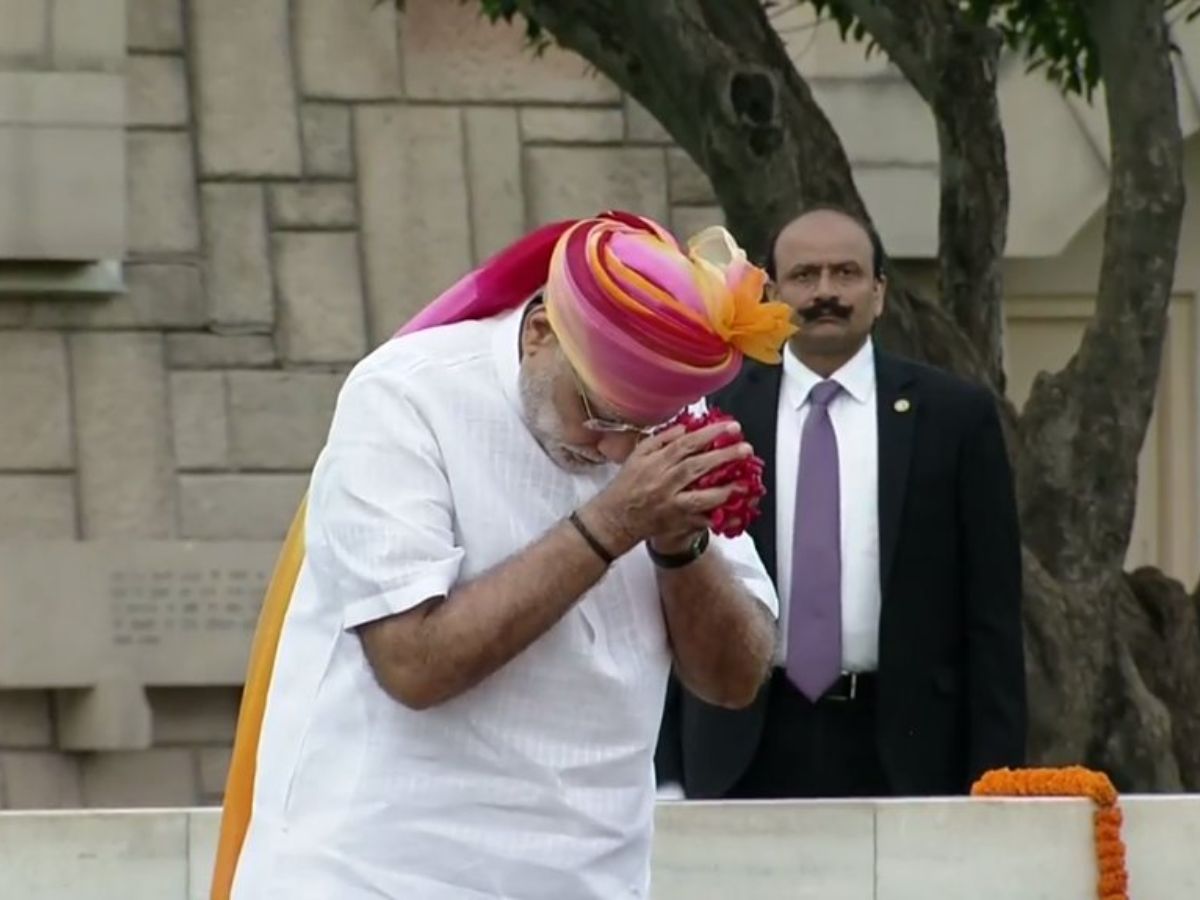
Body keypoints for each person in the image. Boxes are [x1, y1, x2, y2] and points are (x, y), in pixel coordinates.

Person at [208, 211, 797, 900]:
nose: (614, 448)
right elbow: (414, 664)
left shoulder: (670, 432)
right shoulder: (406, 394)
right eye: (600, 414)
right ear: (544, 331)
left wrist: (679, 539)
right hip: (377, 873)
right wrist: (613, 522)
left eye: (642, 428)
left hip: (590, 877)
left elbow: (733, 681)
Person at [656, 206, 1026, 800]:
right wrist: (665, 770)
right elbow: (665, 599)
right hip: (739, 744)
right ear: (771, 292)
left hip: (908, 747)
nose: (825, 291)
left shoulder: (954, 418)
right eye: (804, 276)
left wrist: (999, 777)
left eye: (846, 273)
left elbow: (993, 616)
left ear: (879, 292)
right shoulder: (710, 414)